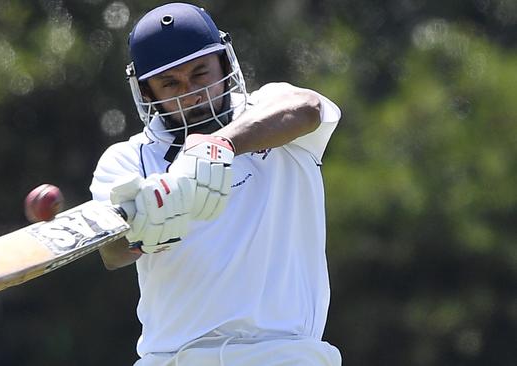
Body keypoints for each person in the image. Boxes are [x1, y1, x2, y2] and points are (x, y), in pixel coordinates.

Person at [89, 3, 342, 365]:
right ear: (146, 93)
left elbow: (308, 108)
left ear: (224, 63)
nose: (191, 93)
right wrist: (145, 224)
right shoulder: (129, 160)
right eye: (170, 83)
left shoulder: (269, 109)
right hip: (173, 359)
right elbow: (112, 253)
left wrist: (219, 145)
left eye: (200, 73)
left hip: (284, 355)